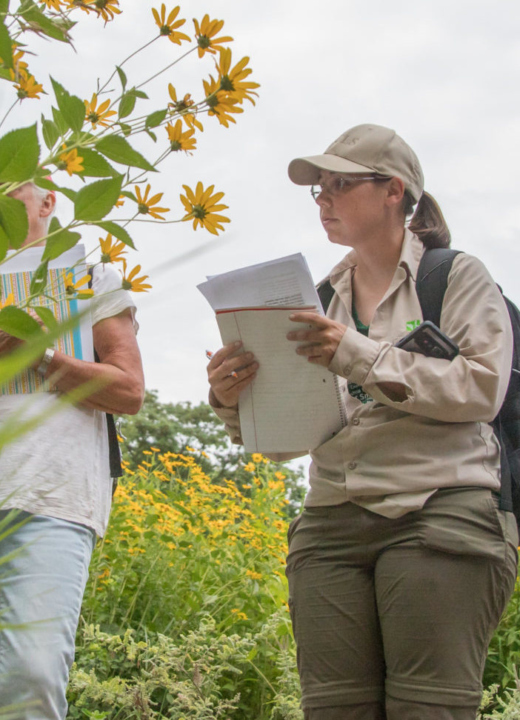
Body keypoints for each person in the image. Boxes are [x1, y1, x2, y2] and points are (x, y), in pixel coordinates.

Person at [207, 124, 518, 720]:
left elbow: (482, 389)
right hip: (329, 527)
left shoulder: (455, 277)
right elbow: (286, 442)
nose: (323, 200)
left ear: (393, 191)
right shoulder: (314, 298)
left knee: (429, 709)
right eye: (318, 190)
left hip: (438, 511)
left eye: (339, 185)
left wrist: (354, 351)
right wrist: (232, 399)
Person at [0, 182, 145, 719]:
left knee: (30, 674)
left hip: (49, 497)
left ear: (47, 204)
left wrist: (41, 355)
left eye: (11, 185)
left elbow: (128, 391)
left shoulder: (91, 278)